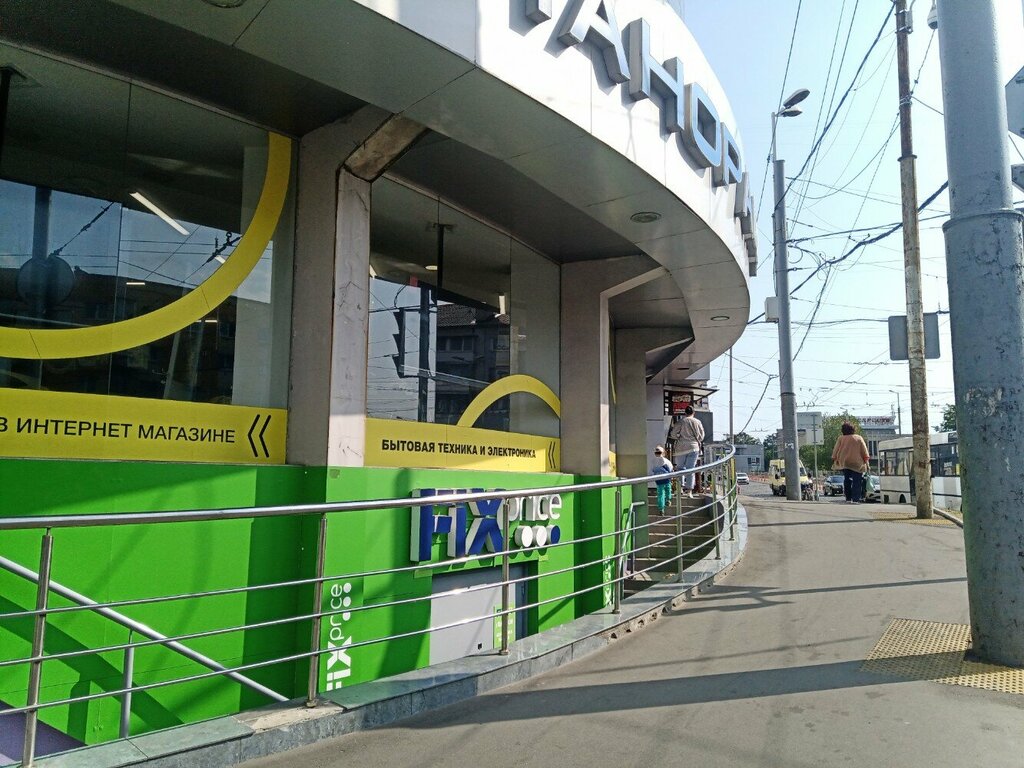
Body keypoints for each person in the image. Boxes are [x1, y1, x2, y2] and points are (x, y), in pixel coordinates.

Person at [831, 422, 870, 504]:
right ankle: (855, 499)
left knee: (847, 480)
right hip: (857, 463)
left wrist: (834, 458)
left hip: (845, 462)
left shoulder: (841, 438)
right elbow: (864, 450)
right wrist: (866, 460)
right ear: (853, 429)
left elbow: (836, 449)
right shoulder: (859, 438)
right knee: (857, 481)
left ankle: (848, 498)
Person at [674, 405, 705, 498]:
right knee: (691, 469)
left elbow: (673, 433)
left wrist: (679, 437)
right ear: (693, 413)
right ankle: (689, 491)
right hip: (693, 447)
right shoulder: (698, 422)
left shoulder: (681, 421)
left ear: (685, 413)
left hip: (681, 448)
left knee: (680, 469)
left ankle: (680, 489)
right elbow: (701, 436)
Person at [651, 445, 674, 512]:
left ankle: (661, 508)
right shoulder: (666, 461)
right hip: (666, 479)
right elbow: (671, 469)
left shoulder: (653, 461)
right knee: (668, 490)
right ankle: (667, 500)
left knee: (660, 494)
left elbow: (652, 470)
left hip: (659, 480)